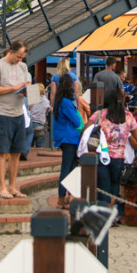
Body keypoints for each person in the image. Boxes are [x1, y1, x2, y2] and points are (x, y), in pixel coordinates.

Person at [91, 88, 137, 214]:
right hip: (118, 158)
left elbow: (86, 130)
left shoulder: (100, 115)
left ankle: (104, 213)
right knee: (115, 185)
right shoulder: (128, 116)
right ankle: (114, 213)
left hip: (102, 155)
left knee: (103, 186)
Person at [0, 41, 31, 199]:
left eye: (22, 57)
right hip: (2, 114)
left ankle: (13, 186)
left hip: (18, 113)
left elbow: (26, 87)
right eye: (18, 57)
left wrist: (30, 91)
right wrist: (14, 87)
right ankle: (2, 187)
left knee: (16, 152)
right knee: (2, 151)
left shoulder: (23, 67)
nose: (20, 60)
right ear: (11, 52)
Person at [52, 73, 83, 209]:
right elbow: (76, 121)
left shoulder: (58, 100)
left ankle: (66, 196)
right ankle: (63, 196)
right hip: (70, 137)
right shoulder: (66, 102)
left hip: (62, 136)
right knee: (68, 167)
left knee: (71, 167)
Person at [29, 83, 51, 148]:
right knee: (40, 146)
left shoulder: (32, 99)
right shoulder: (46, 101)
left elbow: (29, 109)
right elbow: (49, 110)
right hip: (40, 126)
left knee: (29, 146)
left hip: (30, 124)